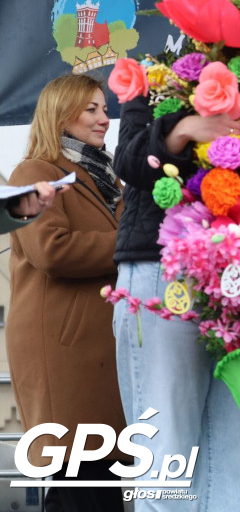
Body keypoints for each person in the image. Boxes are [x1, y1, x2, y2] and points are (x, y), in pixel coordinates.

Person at [112, 94, 240, 510]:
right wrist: (181, 131)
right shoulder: (155, 71)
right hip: (163, 268)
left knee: (235, 462)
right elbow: (128, 160)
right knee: (167, 459)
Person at [7, 74, 127, 510]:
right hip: (64, 351)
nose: (103, 118)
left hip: (95, 352)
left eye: (104, 108)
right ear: (60, 114)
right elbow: (51, 251)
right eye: (91, 109)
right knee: (81, 480)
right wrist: (131, 244)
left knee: (92, 483)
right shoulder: (34, 173)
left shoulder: (106, 178)